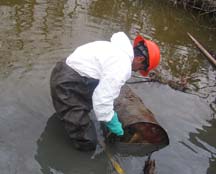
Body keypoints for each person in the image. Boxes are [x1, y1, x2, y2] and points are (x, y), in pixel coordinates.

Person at [50, 32, 160, 151]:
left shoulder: (115, 49)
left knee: (94, 103)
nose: (137, 71)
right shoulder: (121, 64)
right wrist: (112, 122)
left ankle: (68, 116)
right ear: (140, 59)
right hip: (67, 85)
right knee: (88, 142)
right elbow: (102, 100)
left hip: (65, 70)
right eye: (141, 68)